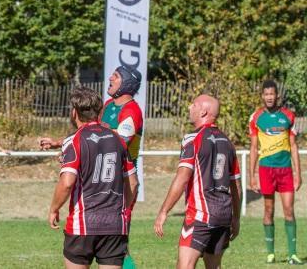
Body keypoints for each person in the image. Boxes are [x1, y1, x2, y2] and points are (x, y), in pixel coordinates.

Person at [38, 65, 143, 268]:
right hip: (102, 184)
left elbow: (117, 140)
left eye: (117, 75)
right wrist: (63, 144)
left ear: (128, 83)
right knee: (116, 245)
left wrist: (76, 153)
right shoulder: (108, 106)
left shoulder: (132, 110)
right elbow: (92, 134)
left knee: (122, 247)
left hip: (117, 186)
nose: (110, 77)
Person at [154, 95, 241, 269]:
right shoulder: (228, 142)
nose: (189, 108)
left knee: (185, 266)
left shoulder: (193, 138)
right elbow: (236, 186)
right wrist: (236, 217)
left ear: (204, 111)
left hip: (200, 214)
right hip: (223, 215)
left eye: (193, 104)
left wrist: (164, 211)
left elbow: (182, 177)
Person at [249, 80, 302, 264]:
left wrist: (298, 174)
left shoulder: (289, 116)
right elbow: (254, 148)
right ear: (262, 96)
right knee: (268, 210)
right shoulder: (256, 118)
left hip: (285, 170)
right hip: (266, 170)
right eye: (266, 94)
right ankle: (270, 254)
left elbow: (294, 146)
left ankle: (292, 254)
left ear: (277, 95)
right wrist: (252, 176)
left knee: (289, 210)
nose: (269, 97)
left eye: (272, 94)